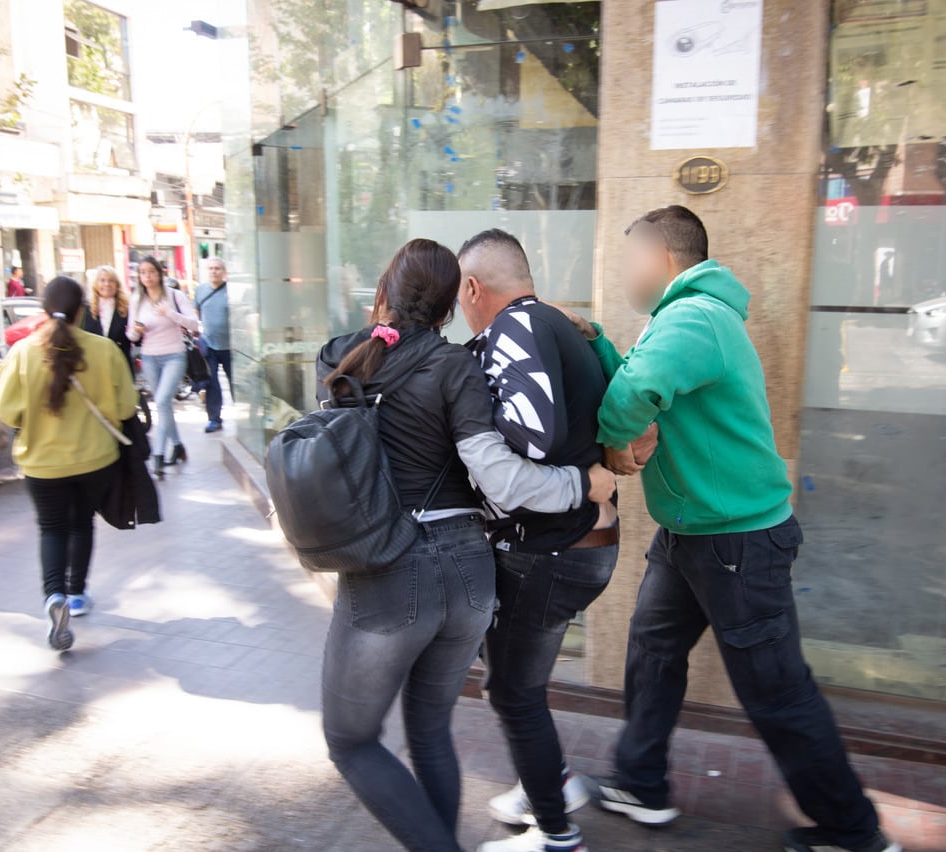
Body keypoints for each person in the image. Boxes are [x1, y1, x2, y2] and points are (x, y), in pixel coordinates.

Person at [566, 206, 898, 852]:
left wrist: (612, 450)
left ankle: (853, 832)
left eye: (629, 256)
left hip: (736, 545)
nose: (624, 268)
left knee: (775, 691)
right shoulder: (684, 320)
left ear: (663, 258)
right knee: (653, 651)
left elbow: (636, 392)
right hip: (694, 534)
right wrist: (597, 341)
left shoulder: (693, 318)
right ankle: (640, 781)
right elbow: (636, 370)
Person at [316, 238, 616, 852]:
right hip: (472, 576)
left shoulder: (340, 359)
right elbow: (499, 475)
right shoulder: (459, 368)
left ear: (381, 294)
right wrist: (581, 483)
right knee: (429, 731)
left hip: (392, 573)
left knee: (351, 741)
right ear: (454, 304)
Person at [457, 230, 628, 852]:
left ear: (473, 287)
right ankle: (549, 783)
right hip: (578, 543)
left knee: (512, 689)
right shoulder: (546, 323)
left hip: (552, 550)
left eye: (459, 293)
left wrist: (468, 422)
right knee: (514, 681)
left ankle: (556, 832)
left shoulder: (514, 328)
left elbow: (531, 436)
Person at [0, 276, 138, 646]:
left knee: (51, 528)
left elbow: (6, 410)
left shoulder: (23, 351)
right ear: (81, 310)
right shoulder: (104, 350)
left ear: (43, 310)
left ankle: (53, 596)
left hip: (41, 463)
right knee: (81, 524)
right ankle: (76, 594)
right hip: (95, 460)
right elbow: (124, 407)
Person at [127, 255, 198, 478]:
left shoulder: (175, 296)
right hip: (149, 357)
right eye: (143, 272)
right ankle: (177, 445)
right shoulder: (137, 300)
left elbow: (194, 324)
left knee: (162, 401)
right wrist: (136, 331)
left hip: (174, 356)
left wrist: (170, 313)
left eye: (152, 271)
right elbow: (130, 334)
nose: (148, 276)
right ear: (140, 277)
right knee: (164, 405)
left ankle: (157, 455)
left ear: (159, 273)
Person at [195, 258, 233, 433]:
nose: (214, 271)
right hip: (209, 345)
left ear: (224, 271)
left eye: (217, 268)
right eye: (210, 268)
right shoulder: (200, 290)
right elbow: (195, 313)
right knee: (212, 384)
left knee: (236, 383)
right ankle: (214, 419)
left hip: (230, 347)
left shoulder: (231, 290)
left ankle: (246, 417)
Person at [82, 265, 133, 374]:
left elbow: (136, 340)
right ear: (96, 284)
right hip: (94, 368)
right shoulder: (86, 309)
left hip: (120, 366)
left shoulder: (126, 308)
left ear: (117, 285)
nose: (107, 284)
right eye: (102, 280)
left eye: (111, 281)